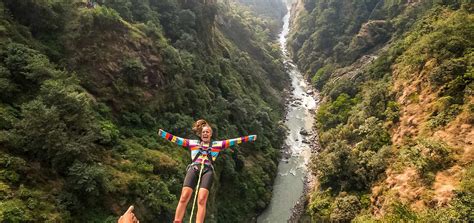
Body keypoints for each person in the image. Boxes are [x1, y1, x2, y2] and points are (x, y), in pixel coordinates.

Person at [158, 119, 257, 223]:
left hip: (207, 171)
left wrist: (249, 138)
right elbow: (177, 140)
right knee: (184, 196)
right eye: (203, 132)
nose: (205, 133)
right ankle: (177, 221)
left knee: (201, 199)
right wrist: (163, 134)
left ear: (211, 134)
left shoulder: (217, 145)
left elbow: (234, 141)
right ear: (201, 134)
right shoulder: (193, 143)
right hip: (194, 168)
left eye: (207, 132)